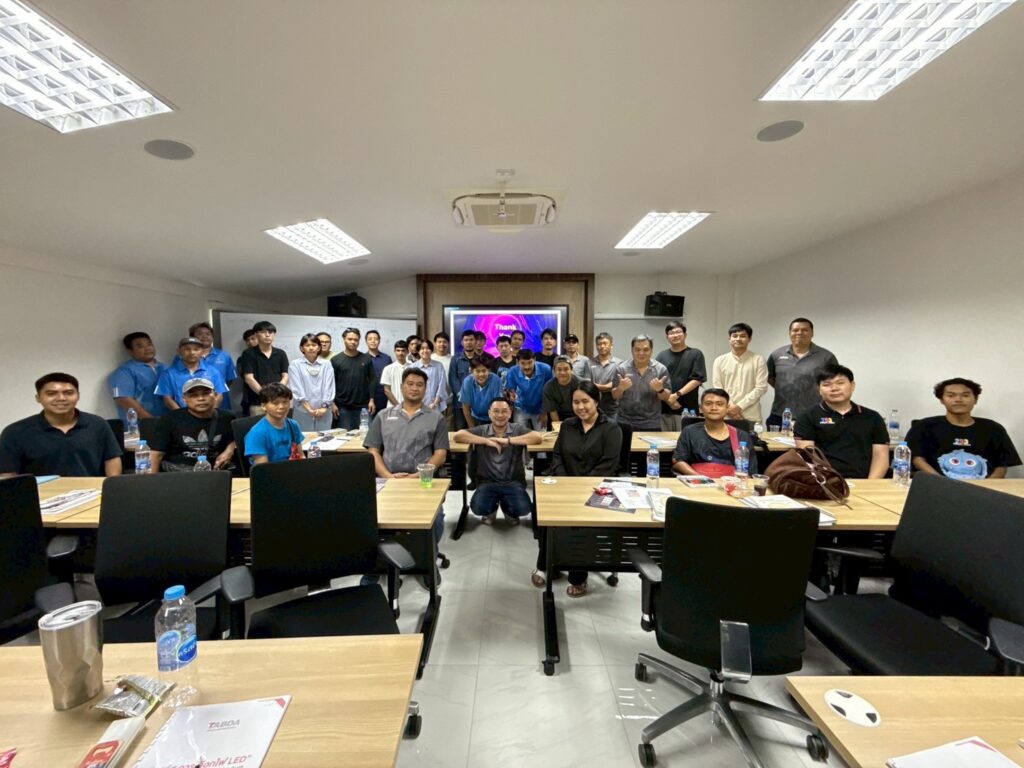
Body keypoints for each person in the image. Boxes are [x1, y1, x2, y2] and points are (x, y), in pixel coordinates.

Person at [545, 381, 623, 596]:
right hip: (566, 485)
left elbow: (609, 464)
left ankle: (578, 576)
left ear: (596, 401)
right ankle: (547, 563)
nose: (580, 407)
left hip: (596, 489)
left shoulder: (611, 428)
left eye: (585, 401)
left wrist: (581, 488)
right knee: (545, 515)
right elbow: (557, 456)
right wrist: (565, 482)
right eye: (576, 402)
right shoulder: (568, 425)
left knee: (580, 524)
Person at [364, 367, 448, 546]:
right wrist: (388, 476)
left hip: (421, 481)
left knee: (436, 523)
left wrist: (416, 476)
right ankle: (382, 561)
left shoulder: (436, 418)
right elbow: (373, 451)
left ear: (425, 389)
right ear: (402, 387)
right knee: (369, 518)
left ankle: (427, 561)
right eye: (410, 384)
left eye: (419, 385)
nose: (414, 388)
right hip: (387, 480)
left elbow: (440, 454)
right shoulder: (383, 416)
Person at [0, 372, 122, 478]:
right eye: (51, 393)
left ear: (78, 396)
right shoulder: (15, 432)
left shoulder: (97, 424)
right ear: (38, 398)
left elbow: (111, 458)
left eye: (68, 393)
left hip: (92, 492)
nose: (61, 398)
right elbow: (7, 473)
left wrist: (112, 487)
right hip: (40, 494)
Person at [906, 378, 1021, 479]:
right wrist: (940, 483)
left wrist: (988, 486)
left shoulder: (993, 428)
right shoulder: (924, 426)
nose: (958, 399)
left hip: (984, 489)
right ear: (941, 400)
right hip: (936, 486)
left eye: (965, 395)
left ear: (975, 399)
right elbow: (917, 459)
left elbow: (1002, 465)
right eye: (951, 395)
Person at [454, 397, 542, 525]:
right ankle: (491, 510)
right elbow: (458, 435)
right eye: (496, 411)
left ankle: (508, 510)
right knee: (478, 507)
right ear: (489, 413)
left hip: (513, 482)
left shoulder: (517, 429)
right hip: (487, 482)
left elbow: (537, 437)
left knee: (523, 508)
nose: (500, 415)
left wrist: (508, 441)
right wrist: (486, 441)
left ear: (510, 413)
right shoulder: (482, 430)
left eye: (504, 411)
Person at [794, 364, 889, 479]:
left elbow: (881, 457)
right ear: (819, 390)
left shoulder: (872, 417)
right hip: (825, 481)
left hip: (864, 481)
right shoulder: (807, 417)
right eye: (827, 384)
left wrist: (870, 484)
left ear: (852, 386)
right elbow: (809, 458)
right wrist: (827, 482)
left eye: (840, 383)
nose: (834, 388)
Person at [149, 377, 236, 472]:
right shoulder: (170, 419)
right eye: (194, 395)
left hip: (217, 473)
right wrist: (152, 480)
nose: (201, 398)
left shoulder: (228, 418)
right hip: (178, 474)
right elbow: (156, 455)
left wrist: (229, 450)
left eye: (206, 393)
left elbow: (237, 440)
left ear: (215, 395)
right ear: (184, 399)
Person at [767, 318, 838, 428]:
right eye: (795, 330)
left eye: (805, 330)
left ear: (812, 333)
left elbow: (834, 382)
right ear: (789, 333)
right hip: (781, 414)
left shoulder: (826, 357)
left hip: (814, 414)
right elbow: (769, 377)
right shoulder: (777, 355)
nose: (799, 333)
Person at [671, 389, 757, 477]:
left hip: (731, 482)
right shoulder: (689, 432)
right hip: (697, 481)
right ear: (701, 408)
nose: (714, 408)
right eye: (708, 404)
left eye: (719, 404)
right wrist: (700, 478)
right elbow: (678, 461)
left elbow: (750, 470)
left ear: (727, 408)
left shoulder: (741, 436)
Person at [712, 323, 768, 425]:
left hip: (751, 416)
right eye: (735, 336)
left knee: (752, 436)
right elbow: (718, 388)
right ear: (729, 339)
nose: (738, 339)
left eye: (742, 336)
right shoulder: (719, 361)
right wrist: (730, 407)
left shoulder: (758, 360)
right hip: (726, 415)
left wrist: (739, 406)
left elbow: (761, 387)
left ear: (749, 339)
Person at [612, 335, 672, 431]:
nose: (641, 353)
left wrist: (660, 390)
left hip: (651, 423)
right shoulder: (622, 369)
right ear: (632, 351)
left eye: (645, 350)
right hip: (624, 422)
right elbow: (615, 396)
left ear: (651, 351)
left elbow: (665, 397)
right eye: (637, 350)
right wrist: (621, 388)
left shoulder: (661, 369)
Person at [655, 321, 706, 431]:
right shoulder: (661, 356)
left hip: (688, 411)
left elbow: (697, 379)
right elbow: (656, 383)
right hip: (665, 410)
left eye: (678, 332)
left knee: (687, 439)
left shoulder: (695, 354)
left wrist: (676, 395)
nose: (675, 335)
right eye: (671, 333)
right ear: (667, 337)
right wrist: (668, 400)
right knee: (664, 440)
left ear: (685, 335)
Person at [155, 337, 229, 411]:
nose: (192, 352)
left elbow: (219, 395)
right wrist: (182, 415)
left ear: (202, 351)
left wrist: (210, 413)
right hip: (181, 415)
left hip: (209, 414)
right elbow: (167, 399)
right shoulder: (168, 374)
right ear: (179, 351)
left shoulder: (213, 372)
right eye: (187, 349)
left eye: (196, 349)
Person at [108, 331, 167, 421]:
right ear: (130, 351)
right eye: (140, 346)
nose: (147, 349)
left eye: (149, 344)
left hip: (168, 422)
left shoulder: (165, 368)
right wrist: (151, 421)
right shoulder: (124, 372)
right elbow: (124, 400)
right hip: (141, 425)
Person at [243, 383, 304, 465]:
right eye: (275, 403)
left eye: (285, 402)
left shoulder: (293, 425)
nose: (281, 407)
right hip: (272, 472)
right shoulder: (256, 434)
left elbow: (301, 456)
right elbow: (262, 469)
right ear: (263, 406)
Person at [287, 334, 337, 432]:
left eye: (314, 345)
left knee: (324, 438)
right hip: (302, 410)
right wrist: (308, 409)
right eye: (307, 345)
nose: (311, 348)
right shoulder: (295, 364)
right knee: (304, 438)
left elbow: (329, 386)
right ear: (302, 348)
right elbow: (296, 388)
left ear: (319, 348)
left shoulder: (326, 364)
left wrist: (324, 408)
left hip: (324, 411)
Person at [238, 321, 289, 416]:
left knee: (280, 424)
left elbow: (285, 375)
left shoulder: (281, 353)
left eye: (270, 332)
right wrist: (266, 395)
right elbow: (249, 378)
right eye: (263, 332)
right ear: (256, 334)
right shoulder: (248, 354)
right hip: (259, 402)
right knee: (260, 425)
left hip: (279, 401)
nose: (267, 335)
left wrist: (278, 393)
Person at [331, 327, 377, 430]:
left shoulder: (366, 358)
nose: (353, 342)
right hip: (343, 406)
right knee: (345, 436)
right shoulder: (335, 360)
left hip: (363, 406)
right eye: (350, 339)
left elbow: (372, 379)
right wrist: (332, 403)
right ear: (344, 339)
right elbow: (331, 384)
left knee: (367, 435)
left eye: (356, 340)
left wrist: (372, 400)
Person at [188, 321, 237, 406]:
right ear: (192, 337)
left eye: (208, 334)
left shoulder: (224, 355)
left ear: (213, 337)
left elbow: (229, 379)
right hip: (195, 402)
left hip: (221, 402)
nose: (204, 336)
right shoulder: (184, 357)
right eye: (200, 334)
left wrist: (218, 391)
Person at [505, 349, 553, 431]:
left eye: (530, 362)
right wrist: (511, 396)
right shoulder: (512, 371)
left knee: (541, 436)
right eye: (523, 363)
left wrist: (545, 412)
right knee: (519, 434)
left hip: (540, 409)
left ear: (534, 359)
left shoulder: (546, 369)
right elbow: (510, 391)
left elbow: (549, 392)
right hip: (520, 408)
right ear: (517, 362)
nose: (527, 367)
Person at [460, 357, 504, 428]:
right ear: (471, 371)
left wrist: (495, 427)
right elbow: (466, 408)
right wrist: (472, 428)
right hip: (475, 418)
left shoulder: (496, 380)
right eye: (477, 371)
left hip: (493, 418)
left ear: (489, 370)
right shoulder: (467, 382)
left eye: (484, 371)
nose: (481, 374)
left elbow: (498, 406)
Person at [448, 329, 479, 429]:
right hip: (460, 402)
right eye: (466, 340)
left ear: (475, 342)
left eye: (471, 340)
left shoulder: (481, 359)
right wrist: (462, 394)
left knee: (477, 430)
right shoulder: (455, 359)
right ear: (462, 342)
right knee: (460, 429)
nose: (469, 342)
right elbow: (453, 378)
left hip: (477, 401)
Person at [589, 332, 622, 421]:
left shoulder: (619, 364)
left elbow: (617, 384)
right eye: (599, 344)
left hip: (613, 409)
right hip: (593, 408)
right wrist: (607, 387)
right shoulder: (589, 362)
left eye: (605, 343)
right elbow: (588, 384)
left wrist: (597, 387)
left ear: (611, 345)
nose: (602, 346)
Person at [408, 338, 448, 412]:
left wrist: (435, 403)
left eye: (428, 348)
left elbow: (442, 385)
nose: (425, 351)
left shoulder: (438, 366)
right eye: (422, 348)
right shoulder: (412, 367)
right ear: (418, 351)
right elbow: (410, 387)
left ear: (431, 350)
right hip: (417, 407)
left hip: (435, 406)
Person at [543, 356, 579, 427]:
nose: (562, 373)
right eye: (559, 369)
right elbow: (553, 411)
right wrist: (560, 428)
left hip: (578, 414)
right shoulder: (549, 387)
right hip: (559, 416)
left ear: (571, 370)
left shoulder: (580, 384)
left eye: (566, 369)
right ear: (554, 371)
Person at [364, 329, 392, 415]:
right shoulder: (362, 359)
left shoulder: (387, 359)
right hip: (366, 400)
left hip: (384, 398)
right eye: (370, 339)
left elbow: (391, 379)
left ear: (379, 341)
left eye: (376, 339)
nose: (373, 341)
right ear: (366, 341)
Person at [236, 329, 259, 415]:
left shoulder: (269, 356)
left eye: (253, 338)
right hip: (249, 398)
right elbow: (245, 377)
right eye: (247, 340)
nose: (250, 342)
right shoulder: (241, 359)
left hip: (270, 397)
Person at [381, 340, 410, 405]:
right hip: (393, 406)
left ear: (407, 352)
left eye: (403, 350)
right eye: (398, 350)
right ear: (394, 351)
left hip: (410, 406)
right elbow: (387, 390)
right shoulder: (388, 369)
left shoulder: (413, 368)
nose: (400, 353)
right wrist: (397, 406)